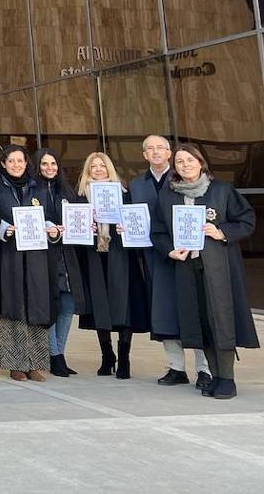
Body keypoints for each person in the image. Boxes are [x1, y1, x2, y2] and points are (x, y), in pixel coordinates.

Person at [149, 144, 257, 399]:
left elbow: (246, 220)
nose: (185, 165)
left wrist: (221, 232)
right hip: (187, 268)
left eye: (190, 160)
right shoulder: (168, 195)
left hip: (218, 268)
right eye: (179, 162)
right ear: (174, 167)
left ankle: (226, 378)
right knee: (200, 321)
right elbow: (158, 232)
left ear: (201, 162)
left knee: (221, 320)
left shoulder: (221, 190)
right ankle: (212, 375)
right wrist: (170, 250)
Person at [132, 135, 211, 389]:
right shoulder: (135, 185)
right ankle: (176, 367)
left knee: (197, 310)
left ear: (170, 154)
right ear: (144, 155)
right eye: (150, 149)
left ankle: (204, 369)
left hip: (193, 256)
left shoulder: (184, 180)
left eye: (161, 148)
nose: (155, 152)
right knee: (165, 312)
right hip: (159, 255)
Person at [77, 152, 150, 380]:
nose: (98, 169)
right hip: (95, 255)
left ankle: (124, 357)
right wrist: (85, 226)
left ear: (110, 169)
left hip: (121, 255)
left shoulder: (124, 195)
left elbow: (138, 224)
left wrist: (126, 228)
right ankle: (107, 355)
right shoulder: (80, 198)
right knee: (101, 306)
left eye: (102, 166)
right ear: (87, 171)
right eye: (93, 166)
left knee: (124, 306)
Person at [0, 145, 56, 382]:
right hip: (9, 254)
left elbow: (48, 218)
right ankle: (15, 363)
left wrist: (52, 230)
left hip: (36, 255)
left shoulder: (38, 188)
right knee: (13, 306)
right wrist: (5, 229)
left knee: (36, 305)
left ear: (27, 163)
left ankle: (35, 363)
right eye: (11, 161)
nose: (16, 165)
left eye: (20, 161)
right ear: (3, 164)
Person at [32, 148, 88, 378]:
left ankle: (60, 354)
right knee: (52, 308)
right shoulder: (32, 190)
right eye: (44, 164)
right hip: (45, 257)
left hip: (67, 257)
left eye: (53, 164)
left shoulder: (66, 190)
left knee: (67, 308)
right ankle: (54, 356)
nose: (49, 168)